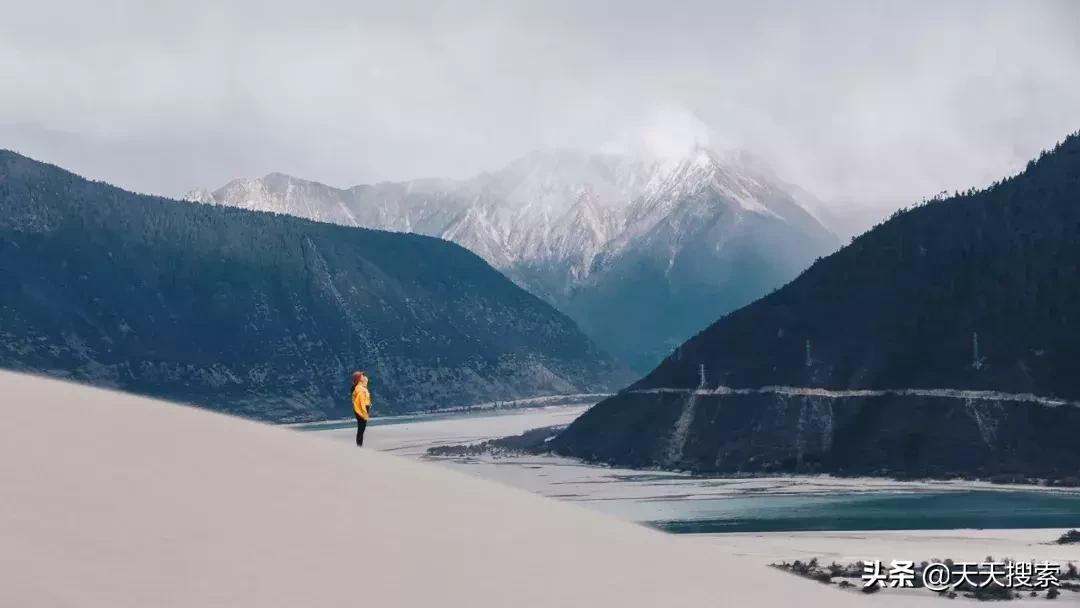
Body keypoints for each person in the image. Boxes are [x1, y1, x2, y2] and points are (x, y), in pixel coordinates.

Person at [351, 371, 372, 446]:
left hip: (363, 409)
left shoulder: (362, 386)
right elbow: (360, 402)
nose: (364, 376)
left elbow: (366, 380)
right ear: (359, 379)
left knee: (361, 429)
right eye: (362, 376)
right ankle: (359, 447)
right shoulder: (359, 388)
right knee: (361, 429)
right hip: (361, 410)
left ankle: (359, 446)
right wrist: (364, 413)